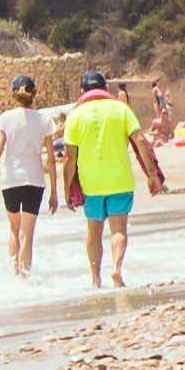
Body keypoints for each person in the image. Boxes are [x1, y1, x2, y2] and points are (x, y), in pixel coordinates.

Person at [56, 70, 166, 288]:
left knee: (94, 230)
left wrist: (67, 189)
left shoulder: (76, 116)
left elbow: (69, 158)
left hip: (91, 184)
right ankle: (116, 269)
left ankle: (96, 279)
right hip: (120, 180)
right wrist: (152, 175)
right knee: (118, 230)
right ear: (105, 89)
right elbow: (141, 141)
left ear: (82, 91)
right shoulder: (121, 109)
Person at [0, 82, 59, 276]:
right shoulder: (44, 121)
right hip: (34, 181)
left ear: (13, 95)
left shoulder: (5, 119)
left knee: (14, 229)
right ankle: (25, 277)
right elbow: (52, 160)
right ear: (34, 94)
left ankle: (14, 272)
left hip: (10, 180)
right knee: (27, 233)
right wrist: (54, 192)